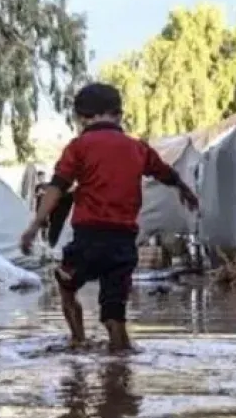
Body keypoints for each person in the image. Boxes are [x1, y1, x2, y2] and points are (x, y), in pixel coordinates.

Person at [19, 82, 199, 352]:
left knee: (66, 284)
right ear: (119, 114)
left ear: (82, 117)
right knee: (114, 313)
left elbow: (57, 186)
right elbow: (165, 173)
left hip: (89, 239)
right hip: (124, 242)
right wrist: (185, 191)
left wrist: (35, 225)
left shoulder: (79, 147)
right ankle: (121, 363)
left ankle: (78, 340)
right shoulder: (138, 148)